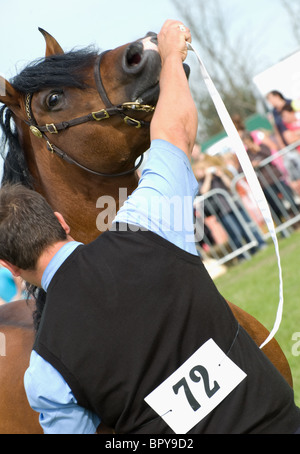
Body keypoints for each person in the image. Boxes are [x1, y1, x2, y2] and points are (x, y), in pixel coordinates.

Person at [0, 20, 300, 435]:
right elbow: (175, 131)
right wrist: (172, 56)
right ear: (60, 222)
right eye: (55, 97)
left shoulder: (46, 373)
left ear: (8, 266)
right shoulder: (154, 224)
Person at [193, 156, 266, 257]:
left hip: (234, 204)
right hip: (221, 211)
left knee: (247, 225)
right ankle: (242, 254)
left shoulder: (218, 176)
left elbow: (230, 185)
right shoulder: (201, 182)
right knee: (235, 233)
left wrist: (221, 174)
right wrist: (208, 177)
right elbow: (203, 191)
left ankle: (259, 244)